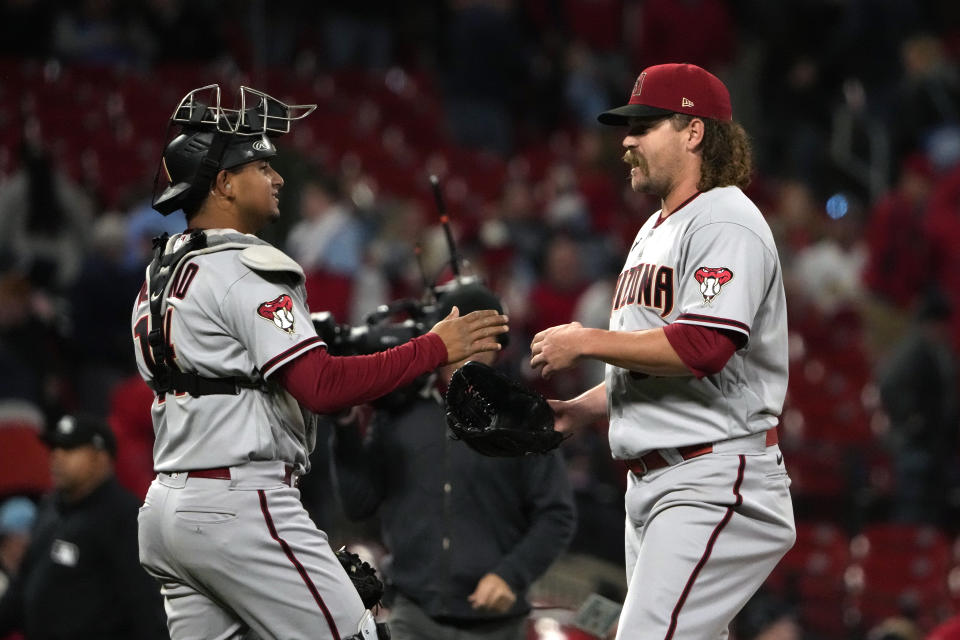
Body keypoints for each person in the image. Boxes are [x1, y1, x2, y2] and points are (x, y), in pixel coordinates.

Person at [132, 85, 508, 640]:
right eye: (260, 164)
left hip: (169, 510)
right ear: (224, 183)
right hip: (240, 504)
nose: (277, 176)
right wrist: (434, 347)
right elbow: (323, 386)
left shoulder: (161, 275)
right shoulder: (245, 267)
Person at [529, 63, 796, 639]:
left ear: (693, 131)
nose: (626, 141)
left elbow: (703, 346)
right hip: (657, 480)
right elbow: (654, 361)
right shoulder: (655, 229)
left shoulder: (727, 218)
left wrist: (584, 340)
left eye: (645, 125)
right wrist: (586, 407)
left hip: (711, 473)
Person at [330, 282, 576, 640]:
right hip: (412, 615)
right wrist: (345, 426)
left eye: (484, 338)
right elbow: (358, 503)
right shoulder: (400, 413)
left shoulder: (520, 418)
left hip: (496, 624)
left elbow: (556, 514)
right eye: (463, 335)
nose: (471, 347)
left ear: (499, 347)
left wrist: (511, 575)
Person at [0, 414, 167, 639]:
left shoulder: (125, 516)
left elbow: (144, 604)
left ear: (100, 458)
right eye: (55, 448)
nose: (57, 456)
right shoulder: (51, 507)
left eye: (69, 449)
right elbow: (21, 587)